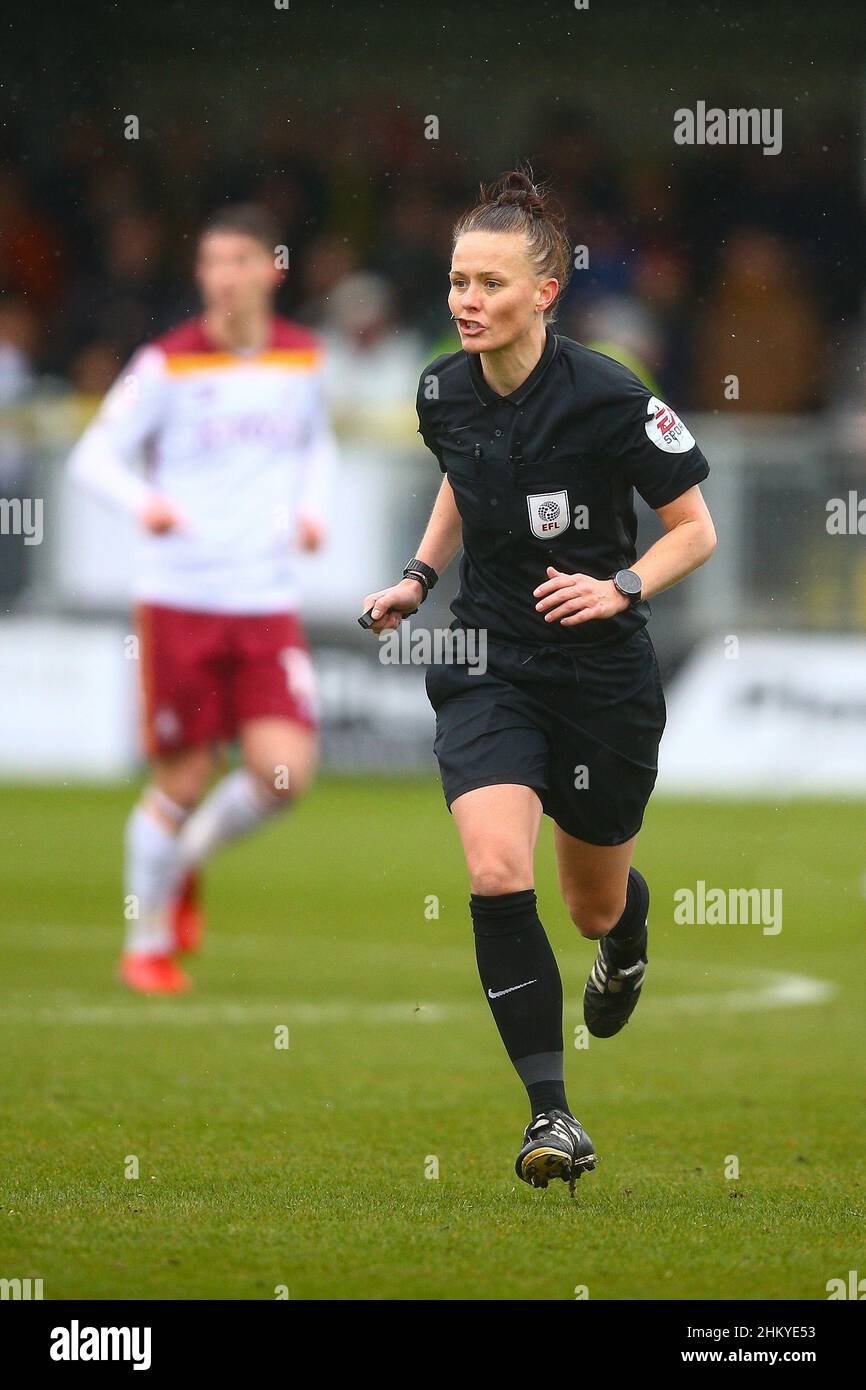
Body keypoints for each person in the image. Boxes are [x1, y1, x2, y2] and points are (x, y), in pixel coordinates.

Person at [361, 169, 716, 1191]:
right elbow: (462, 479)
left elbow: (695, 531)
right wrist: (419, 576)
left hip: (601, 673)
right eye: (455, 279)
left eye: (487, 283)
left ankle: (627, 936)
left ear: (545, 291)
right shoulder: (437, 389)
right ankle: (551, 1114)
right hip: (484, 661)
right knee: (492, 870)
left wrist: (620, 586)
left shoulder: (609, 392)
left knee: (591, 904)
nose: (464, 300)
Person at [68, 203, 338, 994]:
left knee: (285, 775)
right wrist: (142, 503)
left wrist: (313, 509)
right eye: (210, 263)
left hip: (266, 598)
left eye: (237, 261)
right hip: (181, 597)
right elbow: (93, 458)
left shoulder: (303, 358)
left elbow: (317, 442)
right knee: (181, 782)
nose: (222, 277)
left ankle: (185, 864)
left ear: (271, 270)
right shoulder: (166, 362)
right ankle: (144, 943)